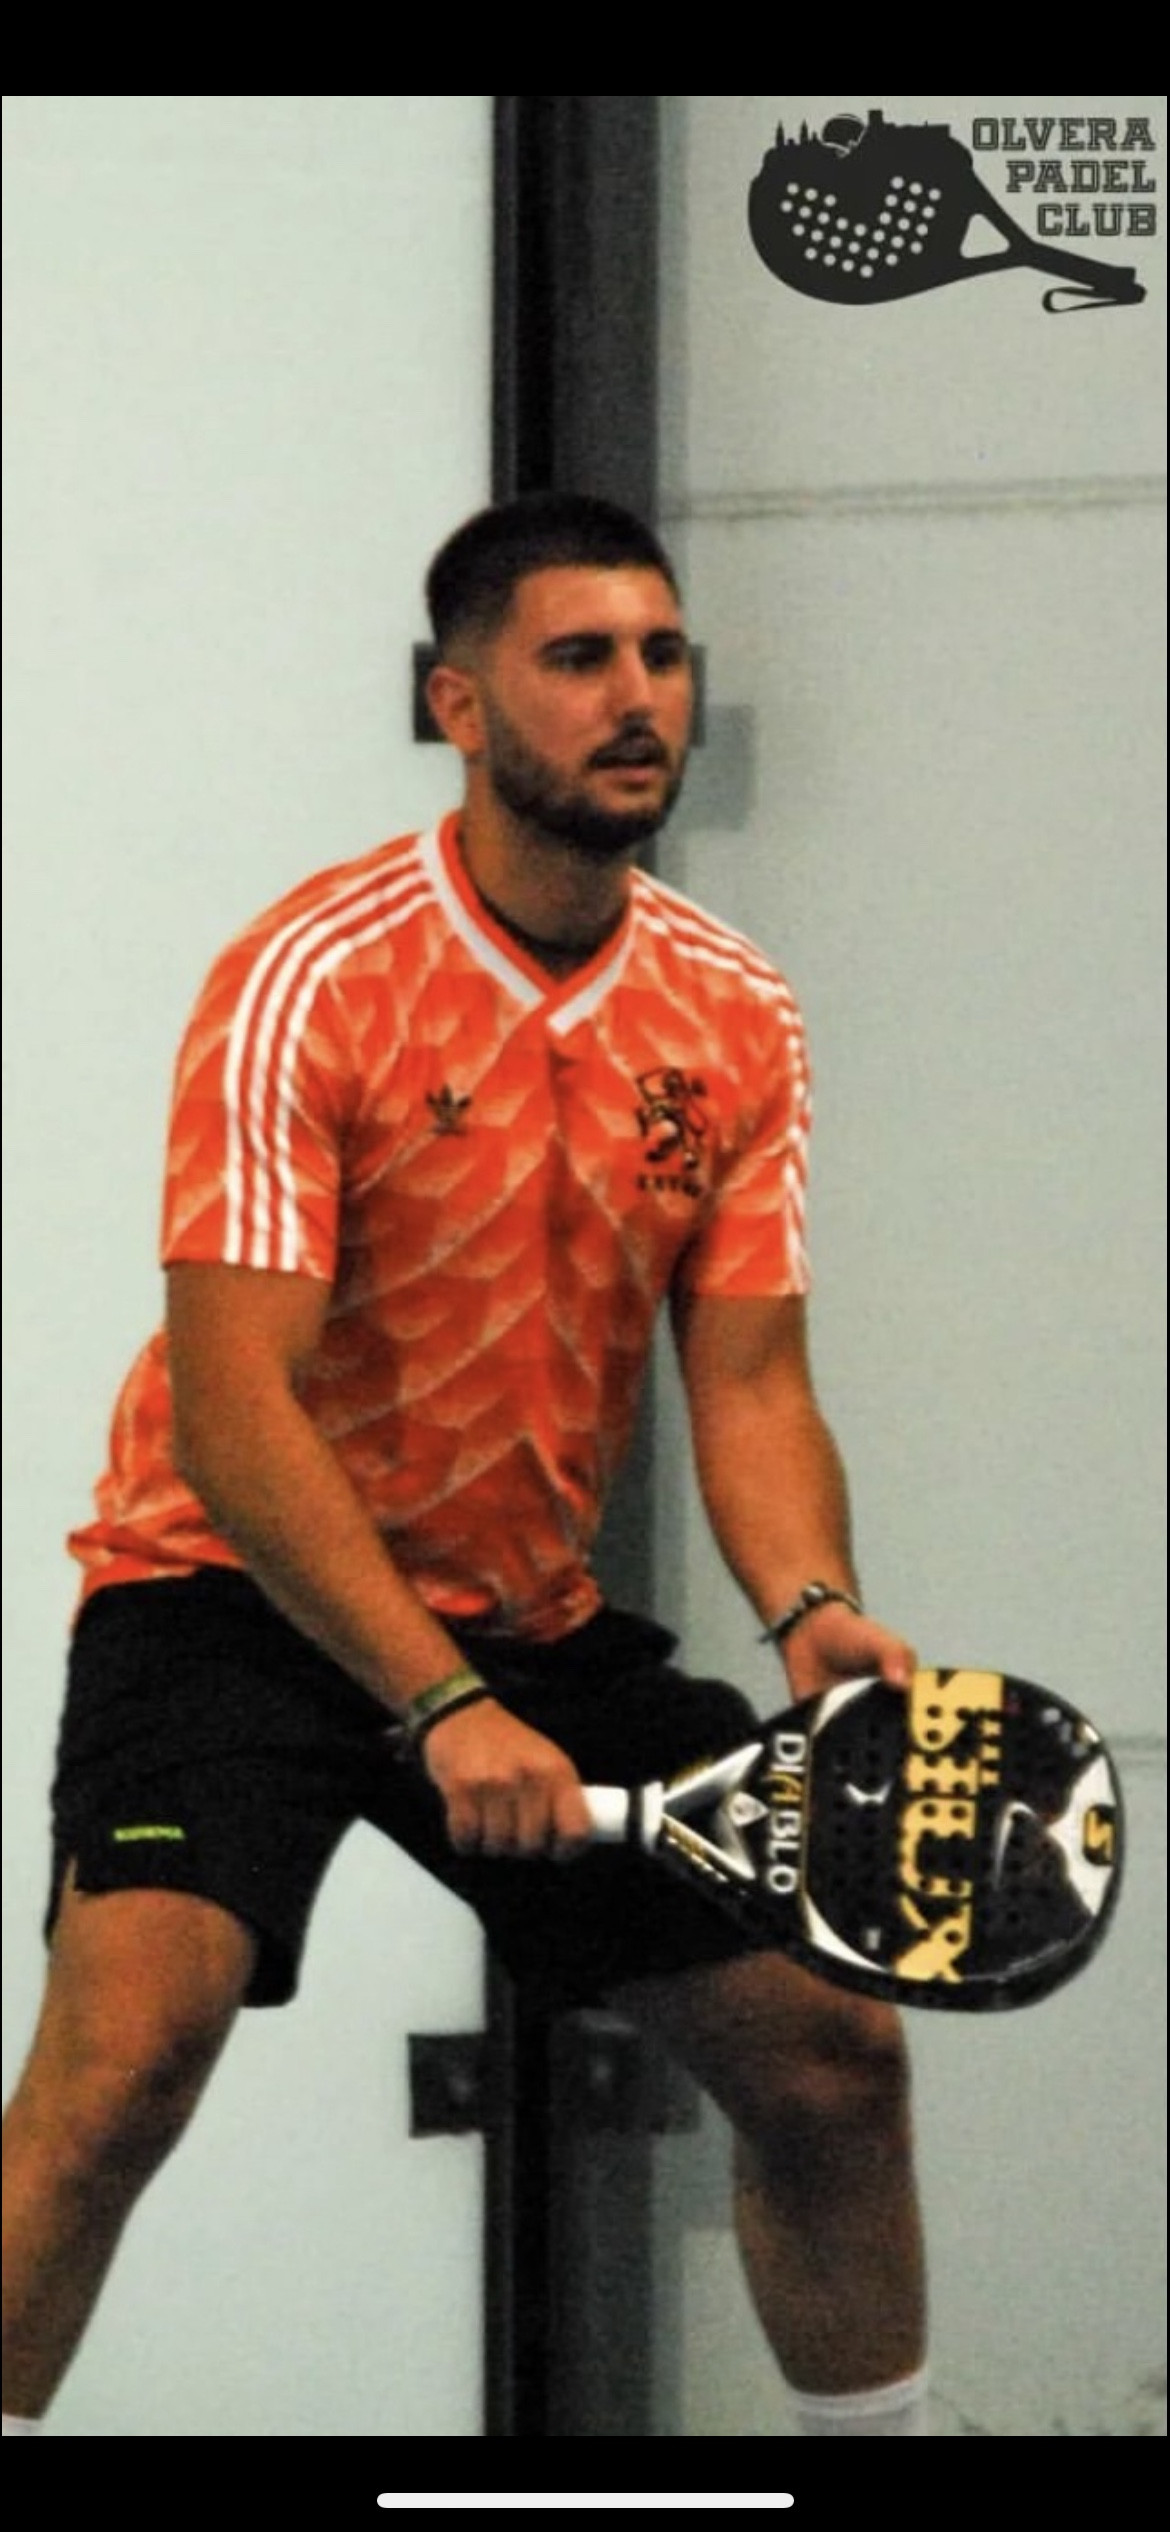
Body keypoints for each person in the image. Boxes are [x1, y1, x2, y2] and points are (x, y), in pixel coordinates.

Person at [2, 492, 929, 2439]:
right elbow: (234, 1406)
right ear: (458, 702)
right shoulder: (312, 977)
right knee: (121, 2069)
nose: (637, 698)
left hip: (525, 1622)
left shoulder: (731, 1012)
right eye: (578, 658)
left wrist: (811, 1607)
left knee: (832, 2057)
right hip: (231, 1599)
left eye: (661, 655)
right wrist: (433, 1705)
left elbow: (750, 1381)